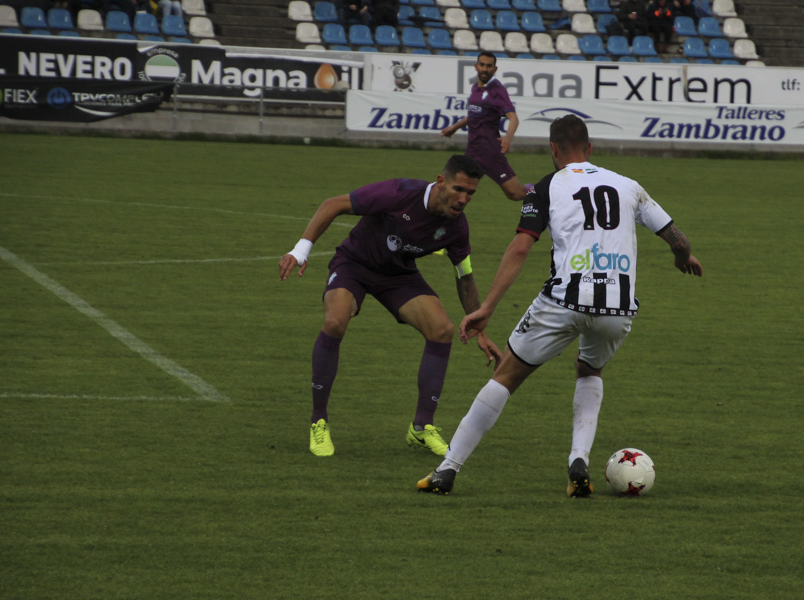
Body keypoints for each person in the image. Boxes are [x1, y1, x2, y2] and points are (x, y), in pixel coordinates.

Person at [417, 115, 704, 496]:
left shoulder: (546, 187)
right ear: (590, 148)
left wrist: (486, 306)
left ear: (553, 149)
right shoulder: (628, 186)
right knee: (589, 369)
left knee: (506, 375)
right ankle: (577, 460)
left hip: (564, 299)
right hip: (618, 308)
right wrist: (683, 257)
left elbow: (521, 246)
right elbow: (675, 236)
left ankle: (446, 471)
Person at [278, 155, 503, 458]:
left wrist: (480, 330)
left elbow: (464, 276)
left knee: (442, 330)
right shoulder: (399, 193)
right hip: (354, 264)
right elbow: (333, 204)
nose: (463, 199)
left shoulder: (456, 227)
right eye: (458, 189)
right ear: (440, 182)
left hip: (398, 276)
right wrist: (300, 250)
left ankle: (421, 428)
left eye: (471, 193)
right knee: (335, 322)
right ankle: (319, 421)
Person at [440, 52, 532, 202]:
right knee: (450, 188)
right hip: (473, 151)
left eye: (489, 66)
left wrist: (507, 139)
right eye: (482, 65)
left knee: (515, 194)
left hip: (490, 153)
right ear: (476, 66)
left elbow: (513, 118)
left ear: (494, 69)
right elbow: (475, 115)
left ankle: (545, 190)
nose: (484, 69)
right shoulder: (476, 88)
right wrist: (454, 127)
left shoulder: (497, 91)